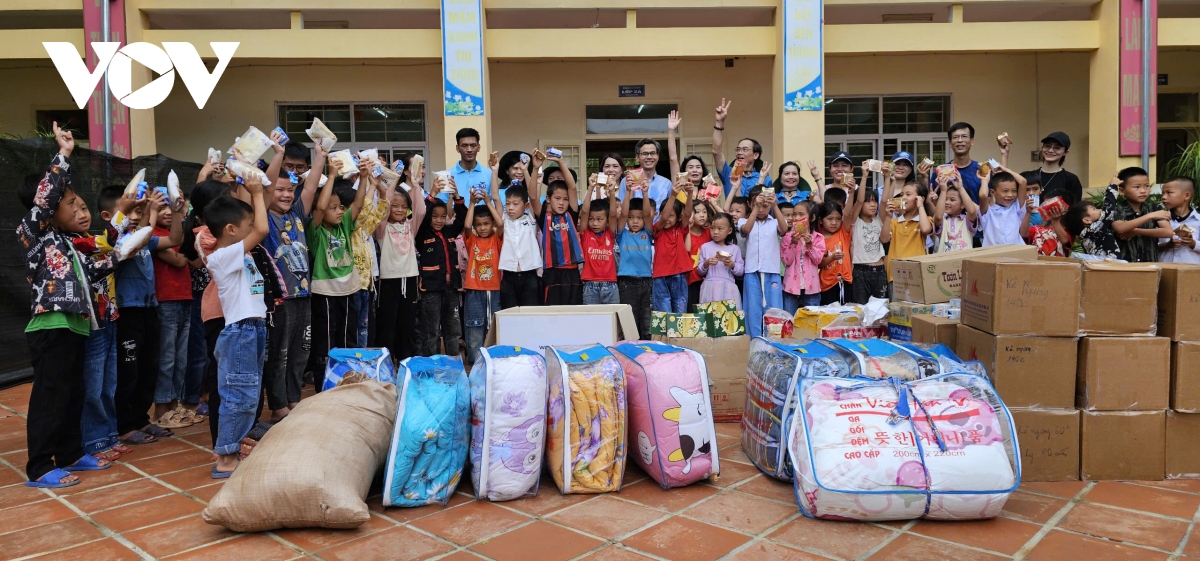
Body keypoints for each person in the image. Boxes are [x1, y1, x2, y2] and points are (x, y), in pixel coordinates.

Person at [18, 123, 116, 487]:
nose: (75, 206)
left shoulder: (69, 242)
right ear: (45, 206)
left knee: (74, 391)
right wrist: (64, 154)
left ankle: (72, 453)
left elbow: (96, 267)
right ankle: (40, 467)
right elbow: (46, 196)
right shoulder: (34, 231)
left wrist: (125, 247)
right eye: (68, 201)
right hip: (50, 325)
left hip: (75, 324)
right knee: (50, 396)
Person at [204, 173, 269, 479]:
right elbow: (263, 228)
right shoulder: (221, 256)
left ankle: (235, 445)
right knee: (238, 395)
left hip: (253, 328)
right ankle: (225, 458)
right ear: (231, 230)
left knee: (249, 394)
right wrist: (256, 192)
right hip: (240, 331)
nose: (251, 231)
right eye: (246, 227)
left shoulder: (236, 253)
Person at [110, 185, 183, 444]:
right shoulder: (118, 241)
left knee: (148, 366)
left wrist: (176, 213)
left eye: (141, 210)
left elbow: (174, 240)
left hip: (149, 308)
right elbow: (131, 244)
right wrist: (149, 213)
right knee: (128, 370)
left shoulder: (146, 238)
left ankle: (140, 418)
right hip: (127, 310)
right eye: (133, 211)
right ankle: (124, 424)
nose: (138, 215)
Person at [74, 188, 137, 462]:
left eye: (84, 208)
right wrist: (123, 209)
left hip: (110, 318)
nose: (81, 214)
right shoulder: (77, 243)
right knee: (94, 384)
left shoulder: (92, 239)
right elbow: (111, 243)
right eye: (73, 209)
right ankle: (94, 441)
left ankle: (109, 434)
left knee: (109, 382)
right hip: (92, 325)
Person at [260, 140, 320, 422]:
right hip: (280, 299)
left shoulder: (296, 214)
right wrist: (279, 154)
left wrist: (320, 156)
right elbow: (268, 187)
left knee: (300, 351)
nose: (286, 195)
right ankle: (278, 405)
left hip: (303, 295)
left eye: (289, 190)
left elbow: (309, 188)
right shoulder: (265, 219)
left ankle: (294, 398)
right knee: (279, 354)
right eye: (279, 189)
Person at [309, 156, 372, 390]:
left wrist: (364, 178)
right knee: (326, 343)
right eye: (333, 208)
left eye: (340, 207)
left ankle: (346, 384)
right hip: (325, 293)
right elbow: (320, 207)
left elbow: (357, 204)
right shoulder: (315, 232)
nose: (339, 211)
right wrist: (332, 175)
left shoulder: (344, 225)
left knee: (348, 340)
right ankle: (324, 387)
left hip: (350, 290)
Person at [150, 184, 192, 429]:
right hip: (165, 301)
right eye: (163, 206)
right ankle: (161, 409)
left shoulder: (175, 232)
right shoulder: (154, 235)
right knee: (166, 357)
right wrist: (189, 249)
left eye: (172, 205)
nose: (168, 211)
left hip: (184, 298)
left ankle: (175, 407)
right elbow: (178, 260)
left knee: (180, 357)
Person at [375, 162, 426, 363]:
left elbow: (420, 211)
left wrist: (414, 186)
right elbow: (384, 207)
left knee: (407, 324)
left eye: (403, 207)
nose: (399, 209)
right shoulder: (382, 228)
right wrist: (395, 179)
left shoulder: (409, 225)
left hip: (410, 279)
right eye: (395, 206)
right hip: (389, 281)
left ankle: (406, 361)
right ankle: (386, 362)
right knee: (388, 324)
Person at [415, 189, 466, 356]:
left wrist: (457, 198)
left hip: (451, 289)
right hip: (431, 291)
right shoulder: (422, 233)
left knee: (453, 329)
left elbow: (464, 219)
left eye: (443, 217)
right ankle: (432, 365)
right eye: (435, 216)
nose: (439, 220)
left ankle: (453, 363)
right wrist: (433, 194)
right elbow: (422, 216)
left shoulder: (449, 232)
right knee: (432, 331)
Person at [739, 183, 788, 336]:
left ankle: (773, 344)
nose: (761, 209)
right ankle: (755, 342)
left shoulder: (774, 222)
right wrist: (755, 208)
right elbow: (746, 230)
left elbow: (784, 229)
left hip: (771, 271)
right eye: (757, 206)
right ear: (750, 204)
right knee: (753, 308)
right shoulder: (743, 221)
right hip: (752, 272)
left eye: (765, 206)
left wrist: (775, 205)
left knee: (773, 309)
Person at [492, 158, 541, 309]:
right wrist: (495, 171)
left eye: (515, 204)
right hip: (508, 276)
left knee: (530, 314)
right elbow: (495, 196)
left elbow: (533, 196)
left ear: (525, 206)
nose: (510, 208)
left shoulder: (531, 220)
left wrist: (527, 170)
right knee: (509, 315)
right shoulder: (504, 220)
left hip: (530, 276)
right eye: (508, 204)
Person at [462, 190, 503, 365]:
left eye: (486, 224)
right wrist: (471, 203)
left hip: (494, 290)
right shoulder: (471, 239)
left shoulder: (497, 239)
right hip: (474, 290)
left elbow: (500, 222)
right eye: (478, 225)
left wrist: (487, 201)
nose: (482, 228)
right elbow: (466, 226)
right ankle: (474, 362)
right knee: (474, 327)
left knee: (494, 326)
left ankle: (494, 361)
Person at [617, 180, 656, 339]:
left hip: (646, 281)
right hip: (627, 282)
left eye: (639, 218)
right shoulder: (622, 234)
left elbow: (647, 214)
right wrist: (627, 191)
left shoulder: (648, 232)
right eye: (631, 217)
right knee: (630, 322)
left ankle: (646, 351)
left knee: (646, 322)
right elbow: (623, 213)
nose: (634, 221)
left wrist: (645, 193)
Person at [1111, 167, 1173, 263]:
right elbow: (1120, 228)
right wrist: (1150, 216)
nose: (1143, 191)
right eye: (1137, 187)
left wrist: (1137, 231)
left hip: (1150, 265)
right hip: (1125, 266)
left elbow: (1167, 232)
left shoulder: (1154, 208)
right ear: (1122, 191)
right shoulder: (1117, 209)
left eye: (1147, 186)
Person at [652, 176, 696, 313]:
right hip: (660, 277)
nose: (667, 219)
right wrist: (673, 195)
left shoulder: (680, 228)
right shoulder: (657, 228)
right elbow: (663, 218)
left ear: (678, 218)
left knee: (680, 314)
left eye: (672, 216)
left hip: (680, 275)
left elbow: (688, 214)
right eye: (665, 215)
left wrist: (689, 194)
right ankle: (665, 336)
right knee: (664, 314)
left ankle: (678, 336)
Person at [711, 98, 771, 197]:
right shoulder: (728, 173)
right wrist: (719, 122)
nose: (739, 152)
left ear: (756, 155)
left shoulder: (765, 178)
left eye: (745, 149)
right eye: (738, 149)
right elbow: (716, 151)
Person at [1011, 131, 1084, 205]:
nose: (1050, 150)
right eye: (1047, 146)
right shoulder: (1029, 176)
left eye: (1057, 148)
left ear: (1065, 152)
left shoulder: (1071, 179)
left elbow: (1076, 209)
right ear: (1042, 148)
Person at [580, 175, 621, 305]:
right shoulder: (585, 234)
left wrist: (612, 193)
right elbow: (585, 212)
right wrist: (591, 187)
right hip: (589, 285)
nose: (595, 223)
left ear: (607, 221)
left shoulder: (610, 233)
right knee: (591, 322)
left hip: (611, 284)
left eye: (599, 219)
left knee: (613, 320)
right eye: (591, 219)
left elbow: (613, 214)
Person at [884, 181, 932, 290]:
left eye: (908, 194)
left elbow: (925, 229)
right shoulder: (894, 222)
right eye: (902, 195)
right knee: (895, 307)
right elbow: (884, 239)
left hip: (917, 275)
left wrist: (920, 206)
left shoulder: (926, 220)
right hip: (895, 275)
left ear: (920, 198)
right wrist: (888, 216)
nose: (903, 198)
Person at [847, 179, 888, 303]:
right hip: (860, 271)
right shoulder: (855, 222)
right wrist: (864, 176)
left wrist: (887, 177)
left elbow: (885, 201)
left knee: (881, 310)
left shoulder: (879, 220)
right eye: (868, 201)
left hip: (880, 270)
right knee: (861, 310)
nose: (873, 205)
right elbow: (859, 201)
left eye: (875, 201)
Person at [780, 200, 825, 312]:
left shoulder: (818, 238)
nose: (796, 217)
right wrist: (793, 243)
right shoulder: (787, 237)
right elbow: (787, 260)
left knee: (811, 319)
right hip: (791, 286)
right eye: (794, 214)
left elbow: (818, 260)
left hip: (811, 287)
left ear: (812, 218)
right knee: (789, 319)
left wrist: (810, 245)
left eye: (801, 214)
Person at [697, 212, 745, 307]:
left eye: (720, 229)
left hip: (729, 288)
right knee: (709, 317)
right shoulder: (705, 247)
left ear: (729, 230)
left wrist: (732, 265)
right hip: (709, 287)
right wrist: (706, 264)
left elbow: (741, 271)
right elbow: (700, 270)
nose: (715, 232)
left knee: (728, 318)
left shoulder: (735, 249)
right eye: (712, 228)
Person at [1020, 174, 1070, 257]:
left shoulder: (1066, 227)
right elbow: (1024, 235)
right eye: (1027, 190)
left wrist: (1055, 221)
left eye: (1035, 189)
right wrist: (1028, 212)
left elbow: (1065, 241)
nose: (1031, 193)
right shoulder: (1035, 228)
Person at [978, 166, 1027, 247]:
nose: (1010, 195)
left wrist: (1005, 170)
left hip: (1016, 255)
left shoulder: (1017, 208)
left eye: (1014, 191)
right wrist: (984, 181)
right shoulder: (988, 212)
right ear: (993, 193)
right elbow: (983, 195)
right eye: (1005, 191)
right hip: (993, 256)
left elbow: (1023, 181)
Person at [816, 202, 853, 305]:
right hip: (827, 284)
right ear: (820, 220)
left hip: (845, 282)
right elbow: (819, 263)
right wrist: (832, 257)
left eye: (838, 219)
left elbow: (848, 214)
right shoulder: (819, 238)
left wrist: (851, 193)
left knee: (846, 315)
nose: (834, 222)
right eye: (829, 219)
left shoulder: (843, 233)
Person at [618, 138, 673, 206]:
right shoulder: (626, 181)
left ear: (658, 156)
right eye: (645, 153)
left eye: (653, 153)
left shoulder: (667, 184)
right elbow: (621, 209)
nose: (649, 157)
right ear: (637, 157)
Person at [933, 174, 980, 253]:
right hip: (944, 263)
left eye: (952, 200)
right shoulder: (943, 221)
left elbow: (972, 211)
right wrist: (943, 191)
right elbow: (938, 216)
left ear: (962, 205)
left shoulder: (967, 221)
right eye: (946, 199)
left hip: (964, 263)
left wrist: (960, 188)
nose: (947, 202)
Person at [1159, 177, 1200, 263]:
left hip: (1192, 272)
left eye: (1169, 193)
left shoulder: (1198, 220)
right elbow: (1150, 246)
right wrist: (1167, 245)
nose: (1163, 197)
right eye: (1162, 193)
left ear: (1187, 195)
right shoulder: (1159, 219)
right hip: (1165, 271)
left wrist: (1193, 243)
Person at [444, 128, 491, 202]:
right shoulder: (447, 175)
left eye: (473, 145)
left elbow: (495, 201)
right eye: (464, 145)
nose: (469, 149)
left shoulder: (489, 174)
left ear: (478, 147)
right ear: (457, 148)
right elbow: (442, 205)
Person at [941, 122, 983, 204]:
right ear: (950, 143)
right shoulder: (942, 171)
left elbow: (988, 202)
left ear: (972, 141)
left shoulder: (981, 170)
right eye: (956, 137)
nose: (960, 140)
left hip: (977, 216)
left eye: (964, 136)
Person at [685, 199, 715, 309]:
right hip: (690, 280)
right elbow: (686, 250)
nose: (702, 215)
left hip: (707, 280)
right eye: (697, 212)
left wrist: (713, 203)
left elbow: (724, 221)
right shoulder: (685, 233)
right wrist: (687, 227)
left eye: (704, 211)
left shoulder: (709, 232)